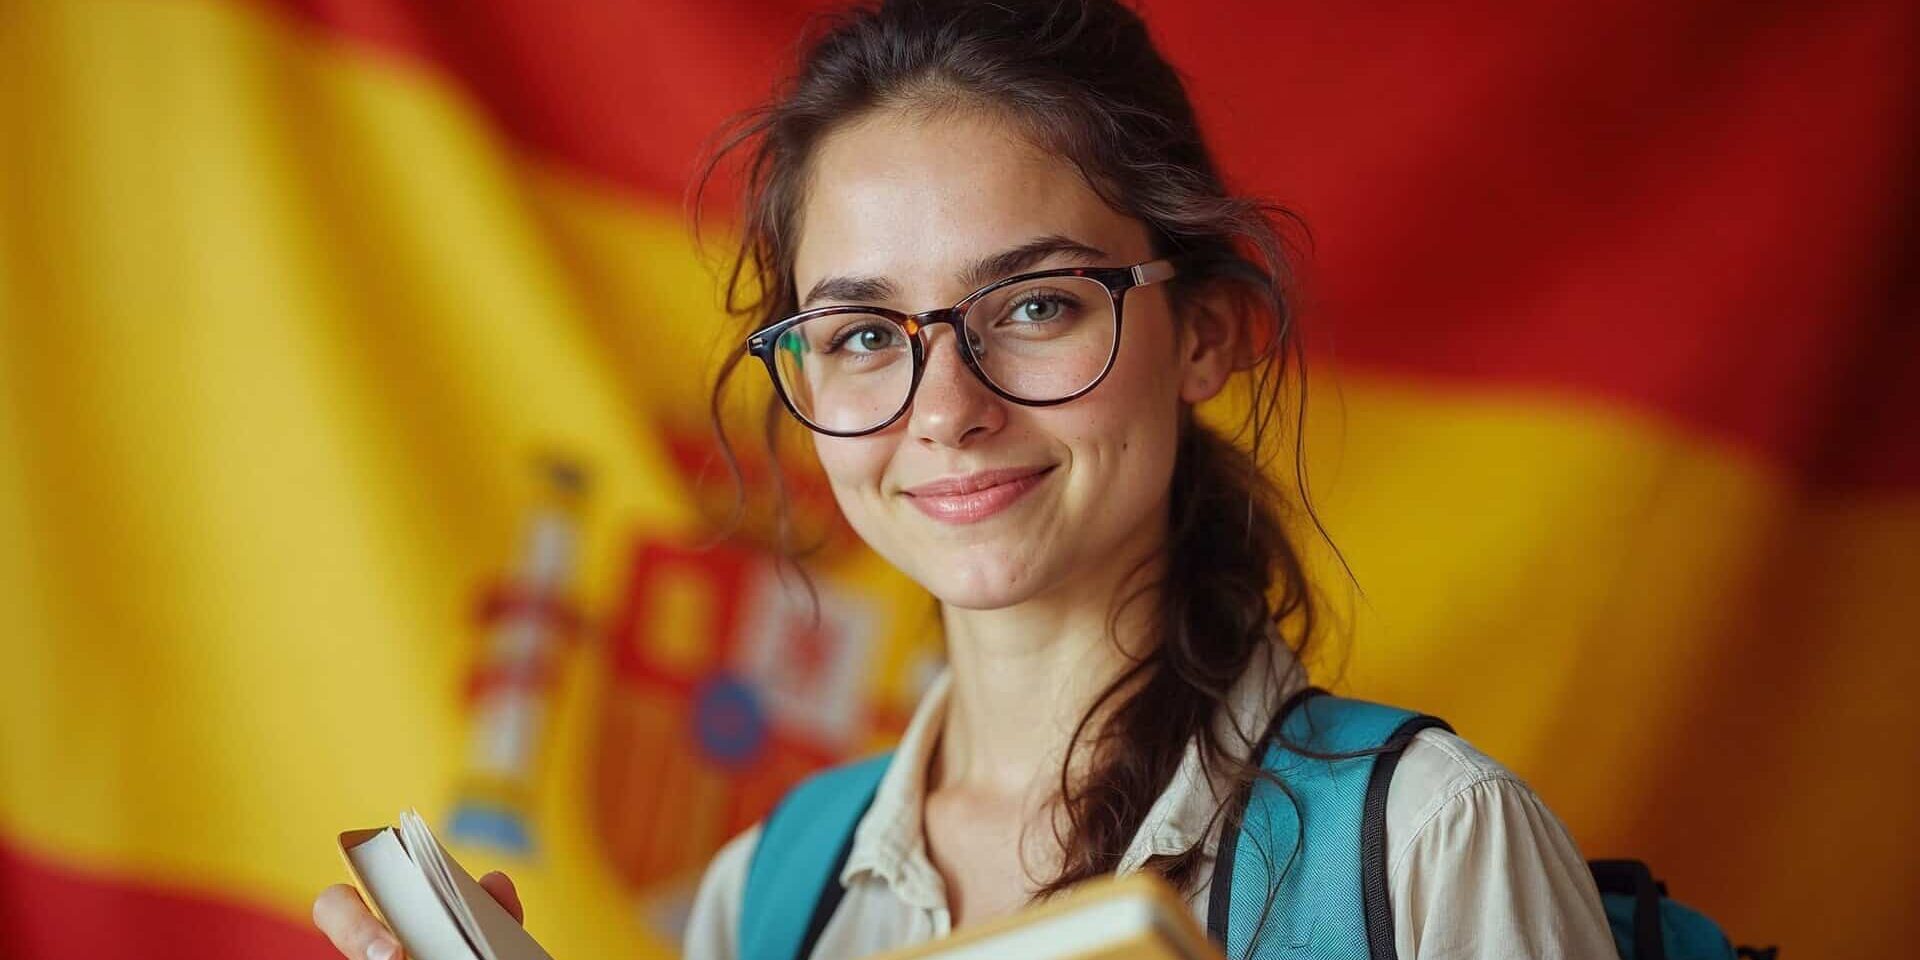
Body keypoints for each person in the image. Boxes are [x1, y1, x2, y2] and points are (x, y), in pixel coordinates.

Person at [313, 1, 1618, 958]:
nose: (946, 409)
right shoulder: (766, 898)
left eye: (1037, 305)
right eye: (866, 336)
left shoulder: (1433, 850)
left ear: (1206, 334)